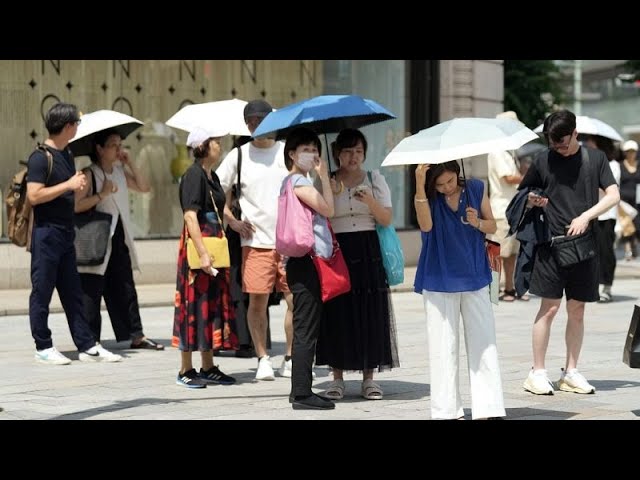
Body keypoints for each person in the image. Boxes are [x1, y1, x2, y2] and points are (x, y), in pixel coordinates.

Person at [518, 109, 619, 395]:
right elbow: (524, 194)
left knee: (577, 309)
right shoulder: (542, 159)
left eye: (562, 142)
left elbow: (613, 195)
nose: (558, 148)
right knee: (548, 308)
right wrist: (532, 200)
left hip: (584, 245)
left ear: (575, 134)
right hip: (550, 246)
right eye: (553, 143)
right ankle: (537, 372)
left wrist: (586, 216)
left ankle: (570, 371)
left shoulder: (595, 159)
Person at [26, 102, 122, 364]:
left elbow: (65, 192)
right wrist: (67, 184)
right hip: (46, 234)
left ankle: (87, 344)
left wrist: (76, 187)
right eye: (77, 124)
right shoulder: (40, 157)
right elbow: (34, 195)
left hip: (67, 233)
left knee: (73, 292)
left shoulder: (66, 154)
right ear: (67, 126)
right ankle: (43, 345)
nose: (78, 128)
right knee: (42, 291)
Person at [413, 161, 505, 420]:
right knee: (443, 347)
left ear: (458, 174)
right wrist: (420, 183)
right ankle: (446, 411)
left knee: (484, 342)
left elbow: (493, 226)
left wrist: (478, 222)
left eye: (450, 182)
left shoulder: (476, 187)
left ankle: (488, 407)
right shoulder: (427, 196)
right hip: (437, 276)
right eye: (439, 184)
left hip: (475, 274)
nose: (445, 187)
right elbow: (426, 226)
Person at [315, 128, 399, 401]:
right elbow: (318, 216)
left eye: (359, 151)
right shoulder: (325, 180)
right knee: (337, 313)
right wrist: (326, 185)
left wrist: (370, 201)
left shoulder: (375, 178)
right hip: (337, 251)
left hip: (367, 249)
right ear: (337, 152)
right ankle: (336, 378)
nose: (354, 157)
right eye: (348, 151)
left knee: (369, 313)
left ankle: (369, 379)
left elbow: (386, 218)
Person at [216, 99, 296, 381]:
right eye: (251, 122)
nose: (256, 126)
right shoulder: (237, 156)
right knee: (257, 303)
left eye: (261, 120)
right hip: (254, 243)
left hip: (290, 242)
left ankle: (290, 357)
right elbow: (215, 193)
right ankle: (263, 357)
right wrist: (232, 221)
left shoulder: (287, 152)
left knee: (294, 301)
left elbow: (306, 187)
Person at [75, 128, 164, 350]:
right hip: (95, 240)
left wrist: (130, 162)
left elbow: (144, 187)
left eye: (120, 144)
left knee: (125, 287)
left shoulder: (119, 172)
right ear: (99, 149)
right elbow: (74, 205)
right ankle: (90, 338)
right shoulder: (88, 174)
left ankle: (136, 335)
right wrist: (101, 195)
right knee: (92, 289)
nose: (119, 149)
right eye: (114, 145)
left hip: (119, 238)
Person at [173, 126, 237, 388]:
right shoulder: (193, 175)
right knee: (193, 305)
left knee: (209, 306)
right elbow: (190, 215)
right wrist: (202, 253)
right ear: (202, 146)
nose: (220, 146)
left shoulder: (211, 177)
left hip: (214, 248)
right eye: (216, 142)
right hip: (199, 249)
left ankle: (208, 365)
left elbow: (220, 209)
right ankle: (185, 369)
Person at [281, 126, 335, 410]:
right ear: (292, 153)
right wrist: (324, 177)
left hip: (298, 261)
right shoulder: (299, 182)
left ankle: (299, 390)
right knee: (306, 328)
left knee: (305, 325)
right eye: (306, 150)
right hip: (306, 261)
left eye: (316, 149)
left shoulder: (289, 182)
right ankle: (302, 393)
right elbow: (329, 209)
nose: (312, 154)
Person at [487, 111, 528, 302]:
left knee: (511, 253)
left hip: (511, 208)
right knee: (499, 252)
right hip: (502, 209)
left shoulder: (508, 152)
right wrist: (528, 176)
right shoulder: (497, 150)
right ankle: (494, 290)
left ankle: (509, 289)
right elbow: (509, 178)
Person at [581, 134, 620, 303]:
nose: (586, 144)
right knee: (592, 253)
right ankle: (594, 285)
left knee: (606, 252)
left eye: (589, 141)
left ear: (598, 143)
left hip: (607, 215)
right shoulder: (587, 163)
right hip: (591, 214)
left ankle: (607, 287)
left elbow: (609, 189)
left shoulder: (613, 165)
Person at [619, 140, 640, 261]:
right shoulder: (620, 166)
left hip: (637, 201)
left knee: (637, 225)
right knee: (626, 224)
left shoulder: (639, 165)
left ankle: (634, 245)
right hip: (624, 200)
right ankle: (628, 251)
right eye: (628, 151)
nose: (631, 154)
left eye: (633, 151)